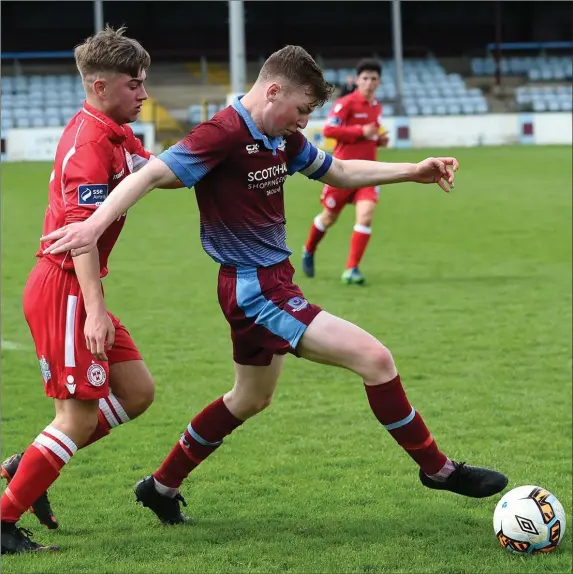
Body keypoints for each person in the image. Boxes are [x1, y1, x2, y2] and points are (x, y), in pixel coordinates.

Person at [40, 45, 508, 528]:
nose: (303, 123)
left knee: (249, 399)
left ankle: (160, 486)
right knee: (376, 359)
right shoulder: (221, 132)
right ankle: (438, 469)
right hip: (254, 289)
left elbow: (341, 171)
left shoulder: (279, 136)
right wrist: (93, 225)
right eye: (302, 110)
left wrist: (414, 171)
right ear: (273, 91)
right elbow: (154, 173)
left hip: (268, 283)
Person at [0, 26, 182, 554]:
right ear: (100, 87)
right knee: (77, 415)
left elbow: (157, 175)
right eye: (134, 84)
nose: (143, 94)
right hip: (65, 288)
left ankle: (27, 464)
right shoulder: (88, 146)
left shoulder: (116, 133)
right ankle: (5, 518)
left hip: (77, 287)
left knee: (136, 392)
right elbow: (82, 238)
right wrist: (94, 313)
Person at [302, 58, 389, 285]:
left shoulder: (376, 106)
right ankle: (309, 249)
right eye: (365, 78)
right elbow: (330, 130)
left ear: (379, 82)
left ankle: (352, 269)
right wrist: (361, 130)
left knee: (366, 216)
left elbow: (369, 136)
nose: (369, 83)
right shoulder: (346, 103)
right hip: (342, 172)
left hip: (369, 172)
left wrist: (378, 140)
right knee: (329, 218)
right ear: (358, 80)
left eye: (374, 79)